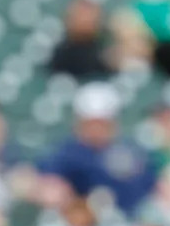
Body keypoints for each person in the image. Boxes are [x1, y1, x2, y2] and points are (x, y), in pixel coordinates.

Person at [36, 83, 158, 216]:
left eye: (102, 124)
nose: (96, 130)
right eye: (91, 124)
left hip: (127, 223)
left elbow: (148, 189)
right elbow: (47, 183)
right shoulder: (64, 153)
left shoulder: (130, 152)